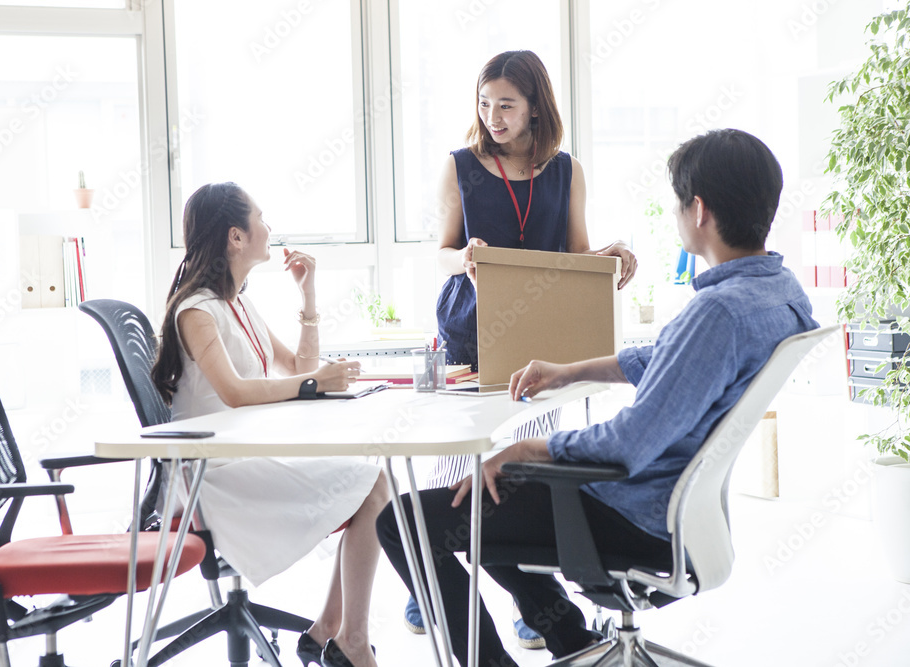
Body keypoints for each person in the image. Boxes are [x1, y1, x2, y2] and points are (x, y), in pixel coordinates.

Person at [378, 128, 819, 667]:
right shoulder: (778, 293)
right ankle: (574, 641)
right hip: (683, 511)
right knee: (487, 500)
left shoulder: (717, 314)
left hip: (632, 512)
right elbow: (665, 356)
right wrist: (569, 372)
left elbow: (627, 444)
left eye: (677, 204)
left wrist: (523, 451)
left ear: (698, 210)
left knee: (403, 520)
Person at [410, 49, 639, 647]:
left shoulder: (567, 172)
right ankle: (433, 584)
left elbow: (572, 256)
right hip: (472, 327)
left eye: (506, 105)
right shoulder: (460, 166)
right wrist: (461, 258)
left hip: (543, 335)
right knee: (462, 462)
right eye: (485, 105)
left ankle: (528, 595)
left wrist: (610, 258)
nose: (493, 117)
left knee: (520, 469)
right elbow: (440, 251)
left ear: (536, 107)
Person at [151, 182, 387, 667]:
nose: (270, 227)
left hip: (242, 456)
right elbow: (237, 392)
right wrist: (312, 384)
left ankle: (330, 633)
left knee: (375, 482)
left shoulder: (238, 304)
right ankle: (344, 641)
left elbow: (299, 364)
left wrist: (309, 297)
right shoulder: (198, 310)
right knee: (373, 486)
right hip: (209, 475)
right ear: (236, 237)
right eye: (261, 217)